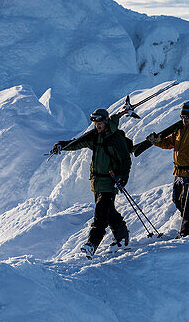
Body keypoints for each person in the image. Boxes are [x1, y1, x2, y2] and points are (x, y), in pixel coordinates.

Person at [51, 108, 131, 257]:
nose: (97, 125)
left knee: (100, 215)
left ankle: (91, 244)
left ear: (106, 121)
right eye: (95, 122)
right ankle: (122, 238)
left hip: (109, 182)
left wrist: (123, 177)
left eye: (99, 122)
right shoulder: (95, 137)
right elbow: (78, 143)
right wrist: (62, 145)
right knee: (108, 212)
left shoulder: (115, 138)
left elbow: (126, 160)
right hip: (97, 182)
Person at [144, 100, 189, 237]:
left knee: (186, 202)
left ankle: (185, 234)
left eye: (187, 117)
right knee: (177, 201)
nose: (184, 120)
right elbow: (170, 143)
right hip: (178, 172)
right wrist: (156, 141)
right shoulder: (179, 130)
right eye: (182, 117)